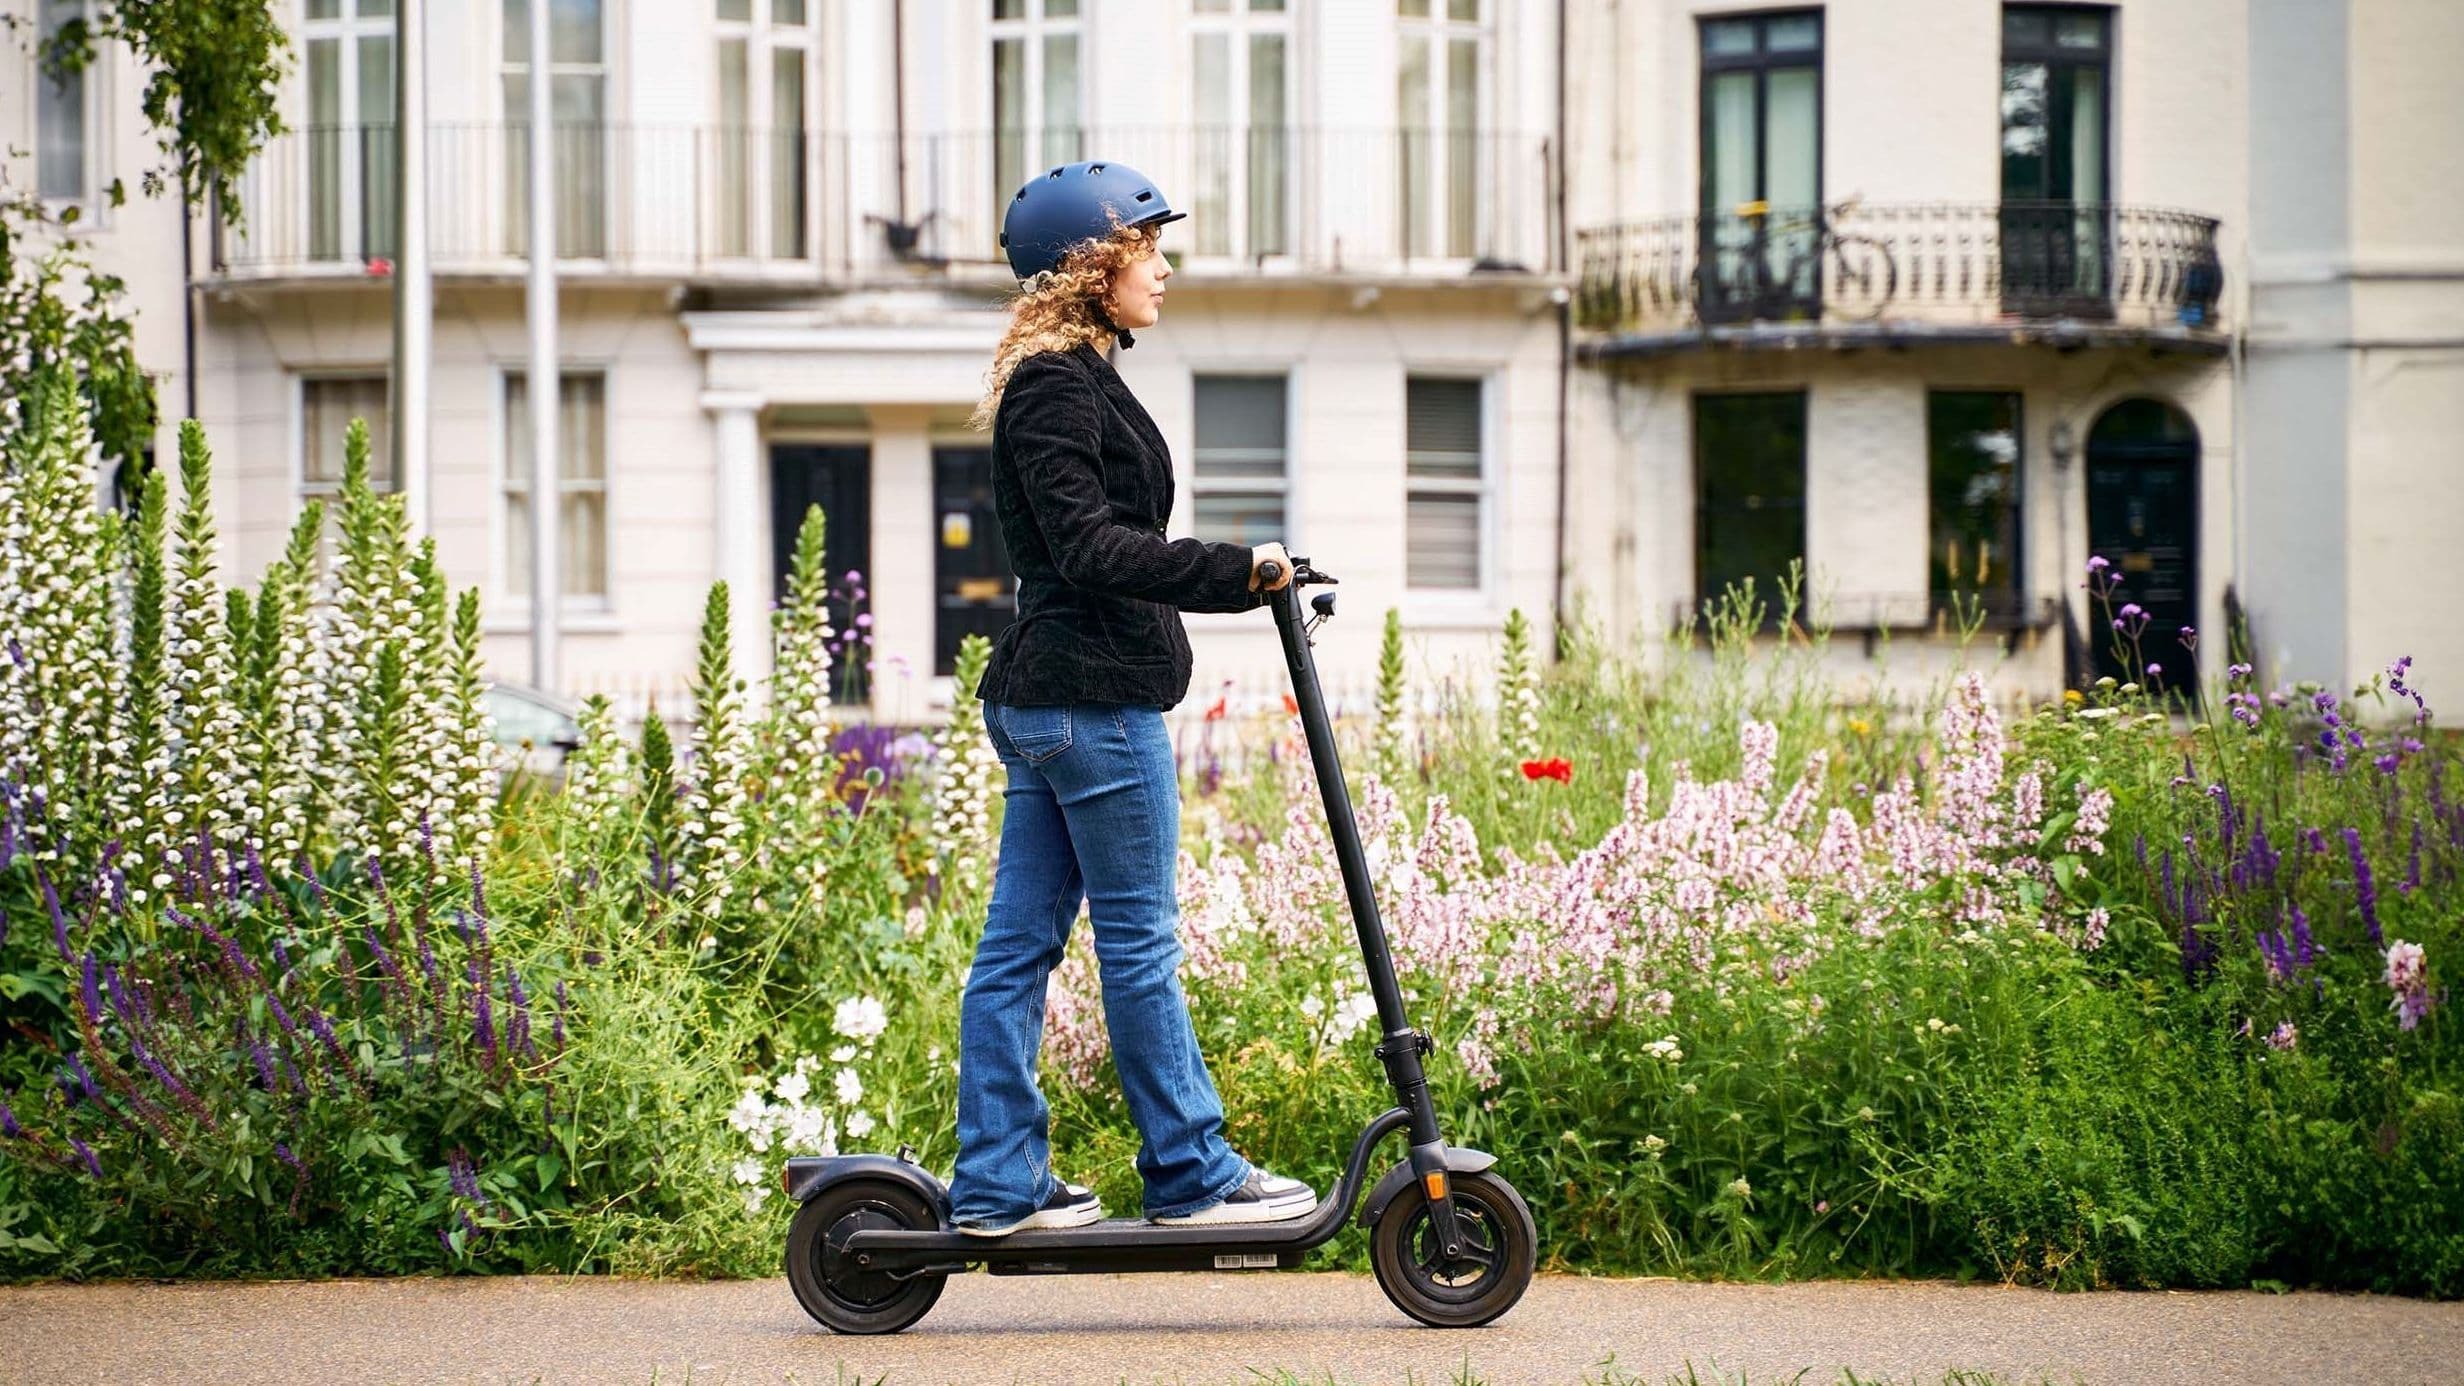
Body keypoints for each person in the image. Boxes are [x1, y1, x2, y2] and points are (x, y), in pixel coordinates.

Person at [948, 160, 1316, 1237]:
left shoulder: (1069, 375)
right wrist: (1233, 570)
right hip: (1089, 703)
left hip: (1059, 699)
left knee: (1018, 949)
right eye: (1145, 249)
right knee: (1141, 941)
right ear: (1087, 268)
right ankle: (1192, 1169)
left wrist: (1239, 580)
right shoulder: (1057, 384)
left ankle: (997, 1183)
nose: (1162, 268)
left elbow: (1094, 545)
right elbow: (1091, 547)